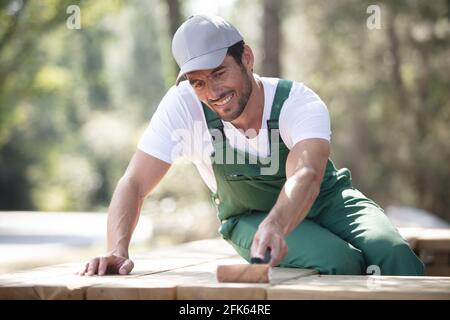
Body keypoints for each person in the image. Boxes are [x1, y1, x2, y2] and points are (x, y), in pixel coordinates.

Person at [78, 14, 424, 276]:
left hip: (328, 200)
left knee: (392, 252)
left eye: (219, 73)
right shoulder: (182, 106)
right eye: (198, 82)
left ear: (246, 57)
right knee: (339, 261)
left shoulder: (296, 101)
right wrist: (118, 249)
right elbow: (134, 182)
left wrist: (278, 223)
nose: (212, 93)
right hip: (250, 219)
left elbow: (306, 173)